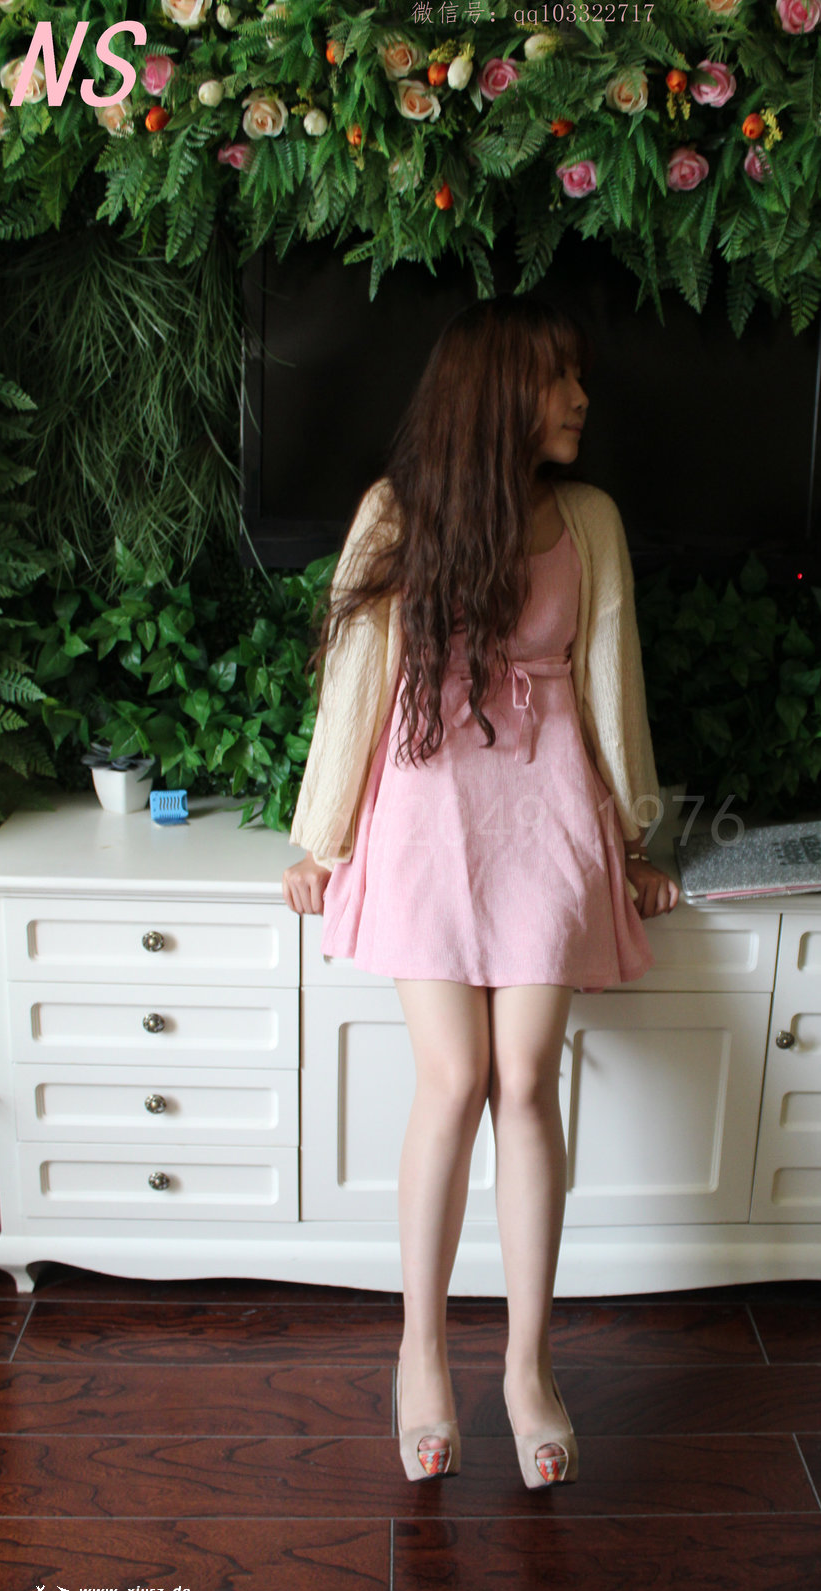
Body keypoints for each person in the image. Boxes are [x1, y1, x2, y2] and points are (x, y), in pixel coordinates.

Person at [282, 294, 679, 1489]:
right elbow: (355, 686)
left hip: (545, 815)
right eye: (559, 379)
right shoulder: (395, 514)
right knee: (452, 1078)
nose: (579, 401)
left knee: (525, 1080)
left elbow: (610, 685)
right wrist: (320, 839)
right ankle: (419, 1354)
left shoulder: (589, 519)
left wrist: (635, 835)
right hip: (423, 816)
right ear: (500, 390)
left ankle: (526, 1367)